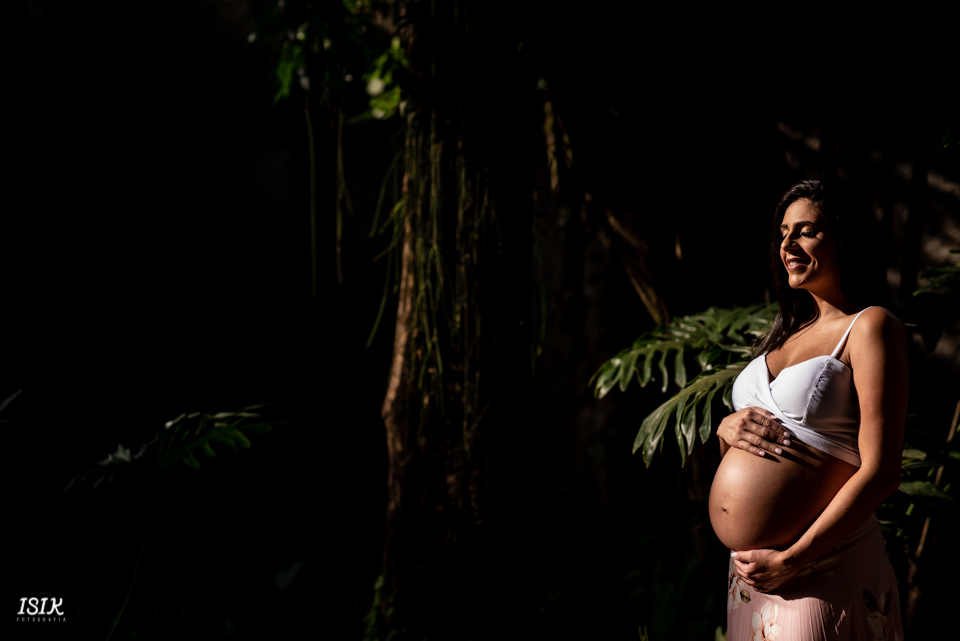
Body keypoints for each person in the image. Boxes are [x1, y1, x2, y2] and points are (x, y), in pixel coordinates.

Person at [707, 177, 908, 640]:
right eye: (783, 233)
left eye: (806, 231)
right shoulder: (785, 335)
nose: (788, 244)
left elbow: (882, 470)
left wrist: (792, 558)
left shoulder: (869, 326)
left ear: (846, 239)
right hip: (751, 576)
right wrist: (728, 430)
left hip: (818, 564)